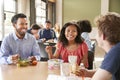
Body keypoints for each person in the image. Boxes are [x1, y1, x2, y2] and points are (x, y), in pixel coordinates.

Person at [76, 12, 120, 80]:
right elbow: (104, 70)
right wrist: (87, 73)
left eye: (97, 32)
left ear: (103, 36)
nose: (95, 36)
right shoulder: (115, 49)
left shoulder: (115, 51)